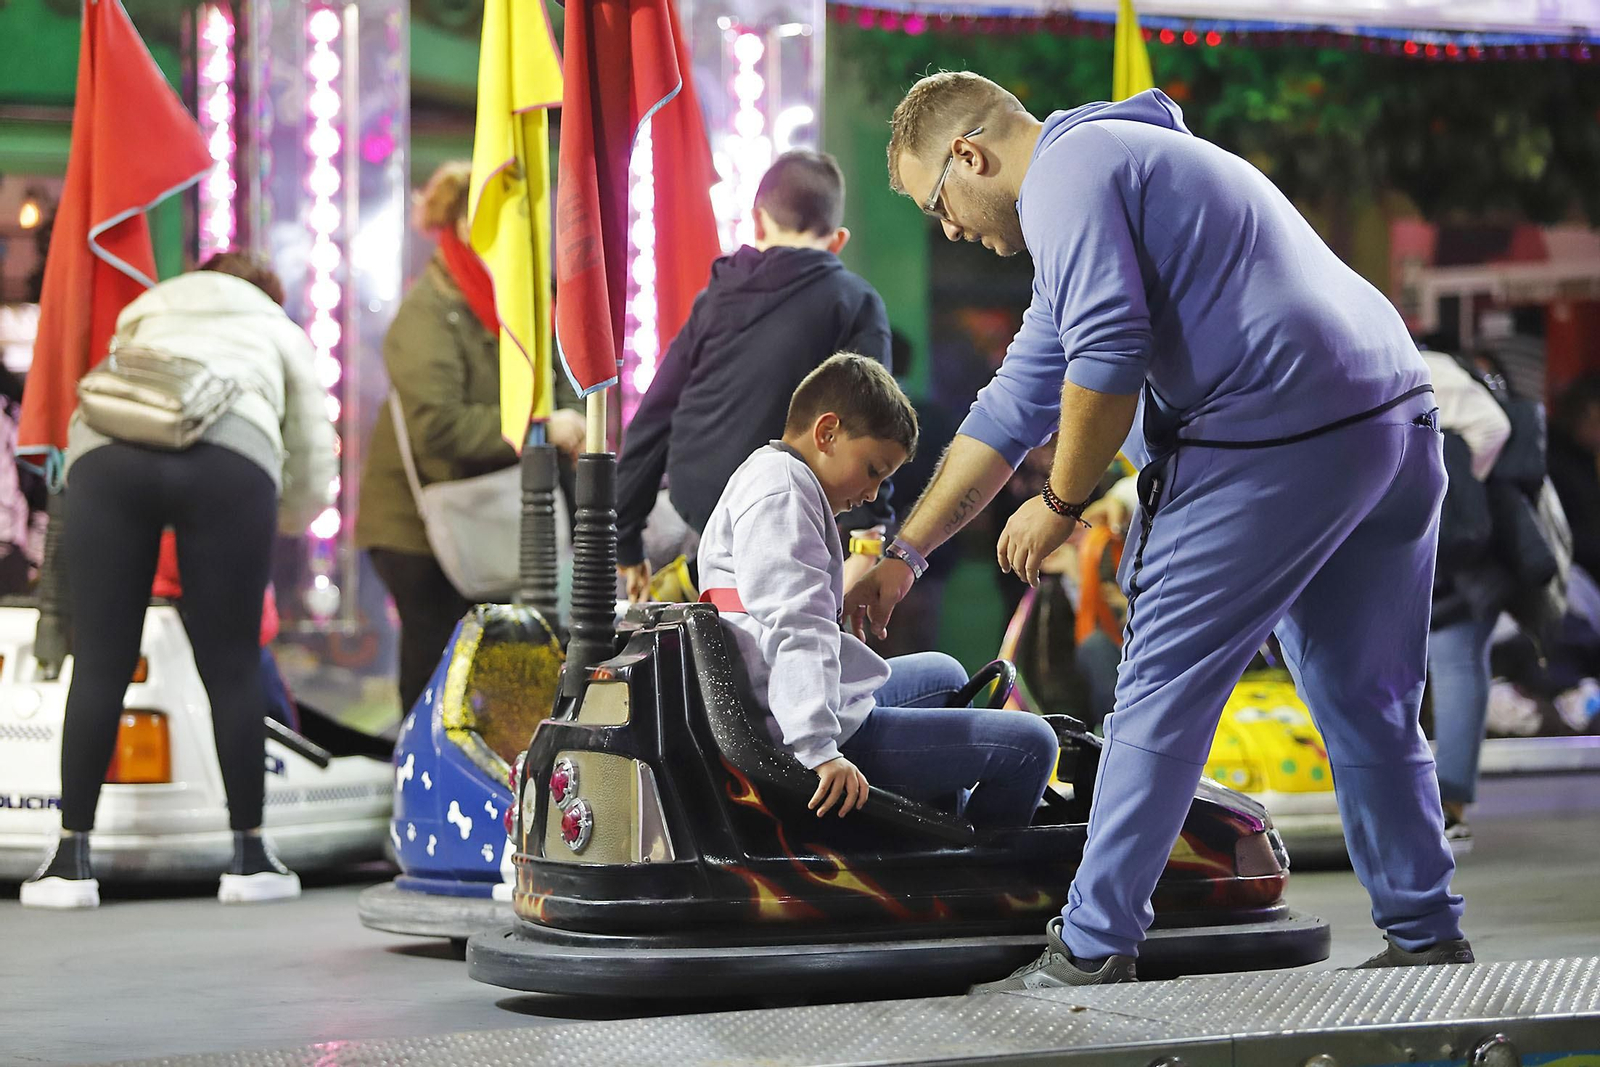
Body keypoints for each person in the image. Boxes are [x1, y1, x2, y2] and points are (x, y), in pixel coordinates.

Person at [849, 72, 1469, 985]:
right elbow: (1009, 407)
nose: (949, 230)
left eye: (938, 203)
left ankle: (1093, 947)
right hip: (1390, 417)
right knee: (1365, 700)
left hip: (1272, 434)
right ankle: (1426, 933)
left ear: (969, 156)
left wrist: (1059, 505)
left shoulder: (1068, 178)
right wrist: (904, 554)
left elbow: (1108, 356)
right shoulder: (1123, 167)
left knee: (1158, 695)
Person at [21, 252, 335, 909]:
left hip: (108, 451)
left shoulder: (147, 309)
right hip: (229, 455)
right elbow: (310, 445)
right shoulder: (275, 324)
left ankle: (69, 860)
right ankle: (250, 858)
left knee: (101, 659)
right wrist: (288, 515)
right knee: (231, 664)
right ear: (266, 291)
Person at [698, 354, 1058, 826]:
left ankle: (939, 821)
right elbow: (796, 628)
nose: (872, 494)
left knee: (945, 675)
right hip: (801, 733)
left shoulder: (774, 475)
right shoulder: (784, 494)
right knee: (1034, 746)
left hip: (795, 703)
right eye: (872, 469)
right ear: (826, 433)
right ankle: (971, 879)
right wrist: (820, 751)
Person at [355, 161, 583, 716]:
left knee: (495, 668)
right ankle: (419, 784)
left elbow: (564, 374)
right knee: (435, 668)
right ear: (461, 224)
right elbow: (439, 425)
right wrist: (540, 426)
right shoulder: (428, 313)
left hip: (494, 511)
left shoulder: (522, 298)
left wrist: (568, 416)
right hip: (418, 528)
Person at [615, 149, 893, 602]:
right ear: (837, 240)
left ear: (758, 222)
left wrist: (626, 539)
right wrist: (867, 537)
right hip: (787, 537)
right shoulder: (855, 302)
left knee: (694, 669)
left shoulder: (714, 300)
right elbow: (872, 426)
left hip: (695, 525)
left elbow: (653, 419)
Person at [1421, 349, 1512, 852]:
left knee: (1445, 663)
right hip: (1454, 543)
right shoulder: (1434, 366)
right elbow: (1492, 428)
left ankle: (1445, 805)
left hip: (1429, 542)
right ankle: (1447, 807)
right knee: (1456, 662)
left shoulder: (1359, 360)